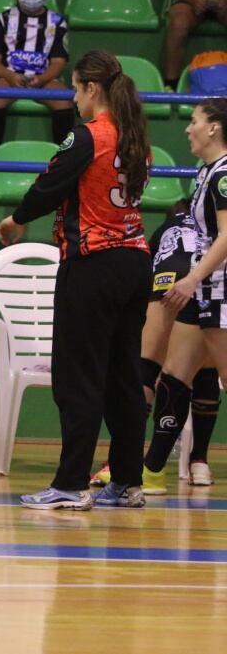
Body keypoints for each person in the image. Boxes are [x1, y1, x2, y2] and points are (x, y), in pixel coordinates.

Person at [0, 49, 152, 510]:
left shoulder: (88, 136)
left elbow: (50, 185)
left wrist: (15, 220)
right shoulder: (135, 138)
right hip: (134, 262)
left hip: (92, 264)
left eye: (75, 87)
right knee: (124, 376)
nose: (72, 96)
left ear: (91, 89)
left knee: (78, 377)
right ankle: (126, 481)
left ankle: (69, 484)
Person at [91, 197, 219, 489]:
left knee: (148, 368)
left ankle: (125, 461)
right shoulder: (210, 220)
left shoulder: (168, 226)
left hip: (168, 277)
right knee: (199, 370)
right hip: (208, 278)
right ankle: (197, 460)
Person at [145, 101, 227, 494]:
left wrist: (192, 277)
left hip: (219, 290)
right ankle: (150, 473)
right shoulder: (207, 173)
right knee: (175, 376)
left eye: (193, 121)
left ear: (214, 128)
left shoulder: (224, 174)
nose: (186, 129)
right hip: (206, 290)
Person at [0, 0, 74, 149]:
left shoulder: (57, 22)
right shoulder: (4, 20)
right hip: (9, 78)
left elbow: (58, 62)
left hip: (45, 79)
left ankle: (64, 161)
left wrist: (42, 78)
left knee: (64, 99)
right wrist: (10, 76)